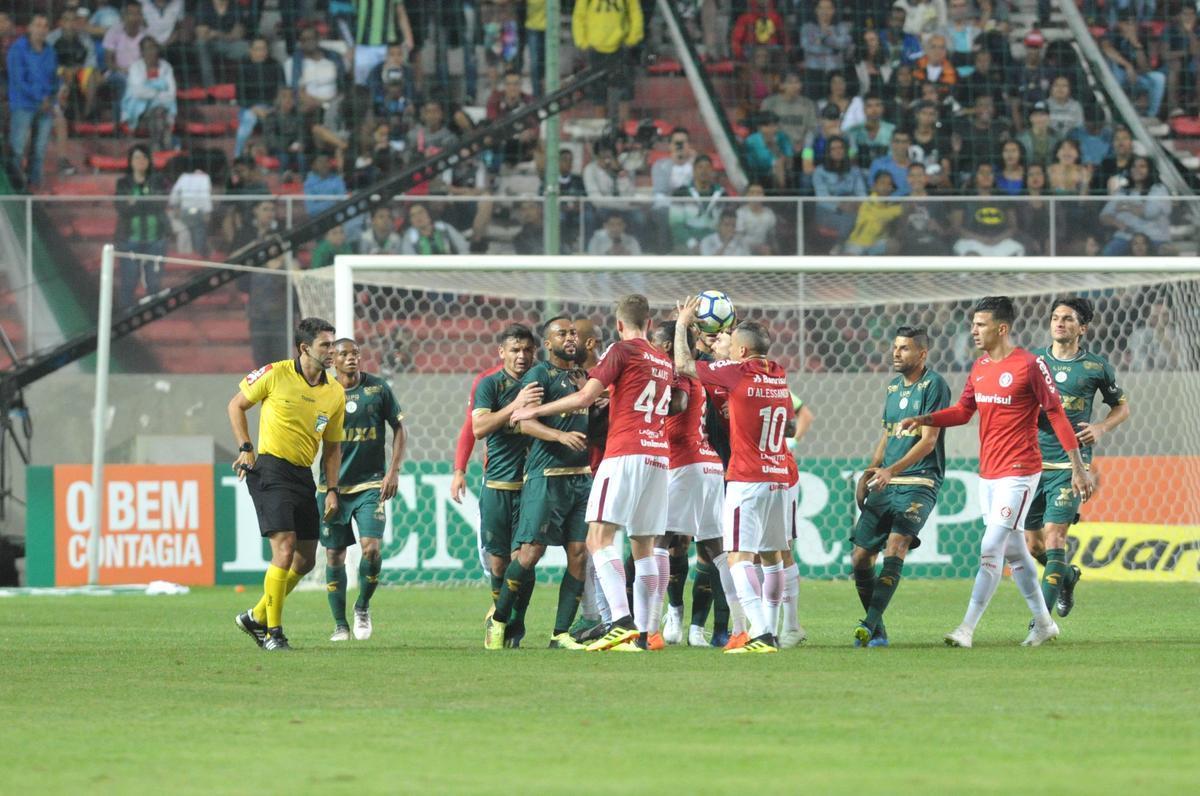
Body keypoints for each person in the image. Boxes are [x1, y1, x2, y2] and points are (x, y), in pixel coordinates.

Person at [900, 296, 1095, 648]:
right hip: (988, 472)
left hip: (1021, 471)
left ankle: (966, 628)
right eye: (973, 324)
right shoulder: (980, 367)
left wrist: (1078, 467)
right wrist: (925, 418)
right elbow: (962, 411)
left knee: (991, 545)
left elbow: (1055, 415)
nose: (973, 330)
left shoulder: (1030, 365)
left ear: (1001, 328)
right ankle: (1044, 623)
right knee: (1017, 552)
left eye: (981, 325)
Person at [512, 295, 675, 652]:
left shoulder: (620, 350)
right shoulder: (663, 359)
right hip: (659, 456)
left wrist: (534, 411)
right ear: (649, 323)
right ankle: (646, 633)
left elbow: (585, 397)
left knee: (597, 539)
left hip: (626, 452)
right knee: (644, 547)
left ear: (619, 324)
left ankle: (620, 623)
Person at [674, 304, 797, 654]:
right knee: (772, 557)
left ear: (741, 351)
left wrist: (684, 323)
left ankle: (759, 633)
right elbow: (787, 422)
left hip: (747, 478)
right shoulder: (778, 373)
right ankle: (771, 628)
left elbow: (684, 365)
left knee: (738, 558)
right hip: (778, 479)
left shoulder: (735, 372)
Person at [231, 317, 346, 652]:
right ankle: (273, 632)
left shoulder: (334, 392)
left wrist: (333, 489)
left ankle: (255, 616)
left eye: (332, 345)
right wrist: (245, 447)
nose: (331, 352)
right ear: (304, 348)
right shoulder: (275, 373)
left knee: (306, 559)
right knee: (284, 548)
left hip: (302, 475)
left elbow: (333, 447)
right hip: (269, 469)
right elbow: (236, 405)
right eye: (325, 345)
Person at [487, 318, 597, 650]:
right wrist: (560, 435)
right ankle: (499, 620)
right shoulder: (538, 376)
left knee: (579, 554)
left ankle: (560, 633)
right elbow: (524, 423)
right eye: (562, 333)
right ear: (548, 344)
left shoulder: (583, 379)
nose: (570, 338)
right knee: (530, 554)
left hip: (580, 478)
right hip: (545, 478)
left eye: (573, 333)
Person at [1023, 298, 1129, 624]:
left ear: (1082, 328)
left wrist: (1100, 427)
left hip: (1072, 465)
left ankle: (1040, 623)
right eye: (1055, 317)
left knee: (1056, 537)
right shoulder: (1033, 362)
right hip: (1032, 461)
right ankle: (1066, 578)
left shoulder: (1096, 367)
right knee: (1033, 545)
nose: (1060, 323)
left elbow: (1121, 407)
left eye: (1068, 319)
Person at [850, 328, 951, 647]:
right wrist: (871, 470)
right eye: (894, 347)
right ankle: (877, 627)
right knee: (860, 558)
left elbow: (929, 441)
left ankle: (868, 624)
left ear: (922, 354)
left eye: (904, 348)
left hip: (919, 480)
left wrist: (891, 470)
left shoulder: (934, 386)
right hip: (887, 480)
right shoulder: (893, 387)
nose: (896, 353)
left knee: (896, 546)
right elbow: (887, 435)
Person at [320, 339, 407, 642]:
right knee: (334, 556)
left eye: (355, 353)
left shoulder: (378, 389)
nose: (351, 359)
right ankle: (340, 625)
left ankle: (362, 607)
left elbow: (399, 429)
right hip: (333, 487)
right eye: (343, 354)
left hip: (371, 483)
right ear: (333, 359)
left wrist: (393, 471)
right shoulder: (324, 393)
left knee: (371, 548)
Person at [654, 320, 730, 646]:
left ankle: (648, 627)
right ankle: (740, 626)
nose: (652, 350)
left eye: (656, 344)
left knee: (656, 542)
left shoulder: (679, 372)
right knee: (714, 549)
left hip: (684, 464)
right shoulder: (703, 371)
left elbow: (679, 405)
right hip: (709, 464)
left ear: (670, 346)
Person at [471, 324, 542, 646]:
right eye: (515, 350)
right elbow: (479, 428)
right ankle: (503, 613)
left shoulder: (542, 382)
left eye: (527, 350)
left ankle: (513, 624)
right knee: (499, 562)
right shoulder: (490, 385)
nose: (521, 356)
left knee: (525, 558)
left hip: (532, 487)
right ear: (501, 352)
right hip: (498, 485)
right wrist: (515, 405)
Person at [7, 12, 59, 189]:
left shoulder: (50, 50)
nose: (42, 29)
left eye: (45, 26)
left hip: (46, 105)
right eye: (37, 25)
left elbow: (53, 77)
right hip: (23, 105)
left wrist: (53, 94)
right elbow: (19, 80)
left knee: (39, 149)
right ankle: (15, 186)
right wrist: (40, 97)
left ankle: (33, 185)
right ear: (29, 27)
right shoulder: (17, 49)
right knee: (18, 148)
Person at [571, 0, 644, 124]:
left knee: (624, 90)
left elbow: (635, 11)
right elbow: (579, 15)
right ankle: (601, 128)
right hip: (596, 46)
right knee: (599, 92)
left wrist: (633, 37)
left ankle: (624, 128)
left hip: (620, 45)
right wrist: (582, 41)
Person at [114, 144, 168, 307]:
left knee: (154, 282)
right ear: (130, 161)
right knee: (129, 281)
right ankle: (126, 312)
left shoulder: (157, 181)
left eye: (144, 157)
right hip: (129, 239)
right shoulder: (123, 183)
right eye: (136, 157)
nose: (140, 161)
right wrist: (143, 203)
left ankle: (154, 312)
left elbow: (160, 205)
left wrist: (136, 203)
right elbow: (122, 208)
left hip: (156, 239)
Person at [1099, 156, 1170, 255]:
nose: (1137, 170)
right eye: (1134, 166)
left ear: (1150, 169)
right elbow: (1104, 215)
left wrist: (1125, 206)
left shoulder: (1159, 189)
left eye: (1142, 166)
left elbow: (1149, 212)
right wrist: (1118, 223)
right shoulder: (1122, 191)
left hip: (1153, 237)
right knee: (1108, 253)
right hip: (1126, 237)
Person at [121, 36, 175, 152]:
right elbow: (138, 92)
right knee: (160, 115)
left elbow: (171, 93)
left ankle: (157, 149)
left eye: (153, 48)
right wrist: (159, 93)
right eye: (147, 49)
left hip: (161, 111)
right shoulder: (135, 68)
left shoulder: (166, 67)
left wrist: (152, 92)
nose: (151, 52)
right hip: (138, 113)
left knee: (159, 113)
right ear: (142, 52)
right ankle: (164, 149)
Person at [234, 35, 283, 158]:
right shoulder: (243, 67)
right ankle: (237, 156)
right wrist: (254, 109)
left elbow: (282, 90)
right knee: (247, 123)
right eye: (257, 49)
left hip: (272, 107)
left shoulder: (276, 65)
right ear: (250, 50)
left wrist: (273, 108)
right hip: (250, 108)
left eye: (264, 49)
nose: (261, 52)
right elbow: (240, 97)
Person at [813, 136, 867, 243]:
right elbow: (822, 198)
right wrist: (841, 206)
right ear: (828, 152)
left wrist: (856, 204)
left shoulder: (854, 171)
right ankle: (843, 246)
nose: (838, 151)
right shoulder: (820, 172)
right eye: (833, 149)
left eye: (840, 148)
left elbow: (862, 194)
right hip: (829, 211)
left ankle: (845, 248)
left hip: (853, 208)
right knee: (848, 219)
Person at [669, 154, 727, 253]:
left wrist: (718, 243)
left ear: (712, 171)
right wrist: (692, 243)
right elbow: (676, 225)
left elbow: (727, 223)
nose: (704, 171)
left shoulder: (723, 195)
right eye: (700, 167)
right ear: (694, 171)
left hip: (715, 244)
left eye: (707, 167)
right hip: (687, 245)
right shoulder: (680, 193)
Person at [353, 0, 414, 86]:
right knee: (363, 85)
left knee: (390, 81)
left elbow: (400, 11)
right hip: (363, 45)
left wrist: (408, 37)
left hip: (388, 45)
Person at [845, 170, 902, 255]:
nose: (886, 186)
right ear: (874, 186)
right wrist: (901, 210)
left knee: (893, 245)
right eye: (882, 183)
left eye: (889, 184)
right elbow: (881, 214)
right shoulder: (868, 202)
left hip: (877, 243)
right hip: (859, 242)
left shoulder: (892, 205)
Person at [194, 0, 248, 88]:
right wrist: (227, 35)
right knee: (200, 43)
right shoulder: (204, 5)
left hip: (230, 45)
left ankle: (242, 87)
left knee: (247, 48)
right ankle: (210, 87)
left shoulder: (236, 6)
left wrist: (215, 33)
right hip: (210, 46)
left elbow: (238, 34)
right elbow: (201, 33)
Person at [169, 159, 212, 256]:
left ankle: (186, 256)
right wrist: (207, 212)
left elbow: (175, 193)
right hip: (198, 212)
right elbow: (205, 196)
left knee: (186, 232)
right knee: (198, 232)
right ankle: (198, 256)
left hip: (185, 211)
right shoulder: (204, 177)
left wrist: (175, 206)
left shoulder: (184, 177)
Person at [742, 110, 793, 190]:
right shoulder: (751, 141)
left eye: (774, 125)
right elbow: (749, 163)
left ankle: (782, 195)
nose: (772, 129)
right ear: (759, 128)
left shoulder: (782, 137)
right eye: (768, 126)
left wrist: (774, 147)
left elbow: (789, 163)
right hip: (758, 174)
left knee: (779, 163)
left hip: (779, 173)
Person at [401, 203, 469, 254]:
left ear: (428, 214)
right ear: (410, 221)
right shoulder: (409, 237)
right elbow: (409, 259)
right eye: (413, 215)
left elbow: (463, 248)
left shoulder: (445, 228)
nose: (418, 217)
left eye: (420, 212)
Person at [736, 183, 778, 255]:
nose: (755, 195)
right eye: (752, 193)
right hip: (743, 250)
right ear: (747, 195)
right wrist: (755, 247)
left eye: (759, 193)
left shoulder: (769, 213)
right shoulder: (740, 213)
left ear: (763, 196)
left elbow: (772, 235)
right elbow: (738, 237)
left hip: (764, 249)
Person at [868, 129, 914, 196]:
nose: (900, 145)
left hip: (910, 205)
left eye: (904, 142)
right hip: (885, 205)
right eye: (897, 141)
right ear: (891, 142)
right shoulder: (878, 164)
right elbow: (872, 189)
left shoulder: (915, 167)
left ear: (909, 144)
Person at [303, 151, 347, 218]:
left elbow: (344, 201)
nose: (324, 165)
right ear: (314, 165)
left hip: (339, 217)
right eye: (320, 162)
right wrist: (333, 202)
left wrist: (324, 204)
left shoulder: (337, 180)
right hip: (319, 221)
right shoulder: (309, 184)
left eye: (326, 161)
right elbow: (311, 210)